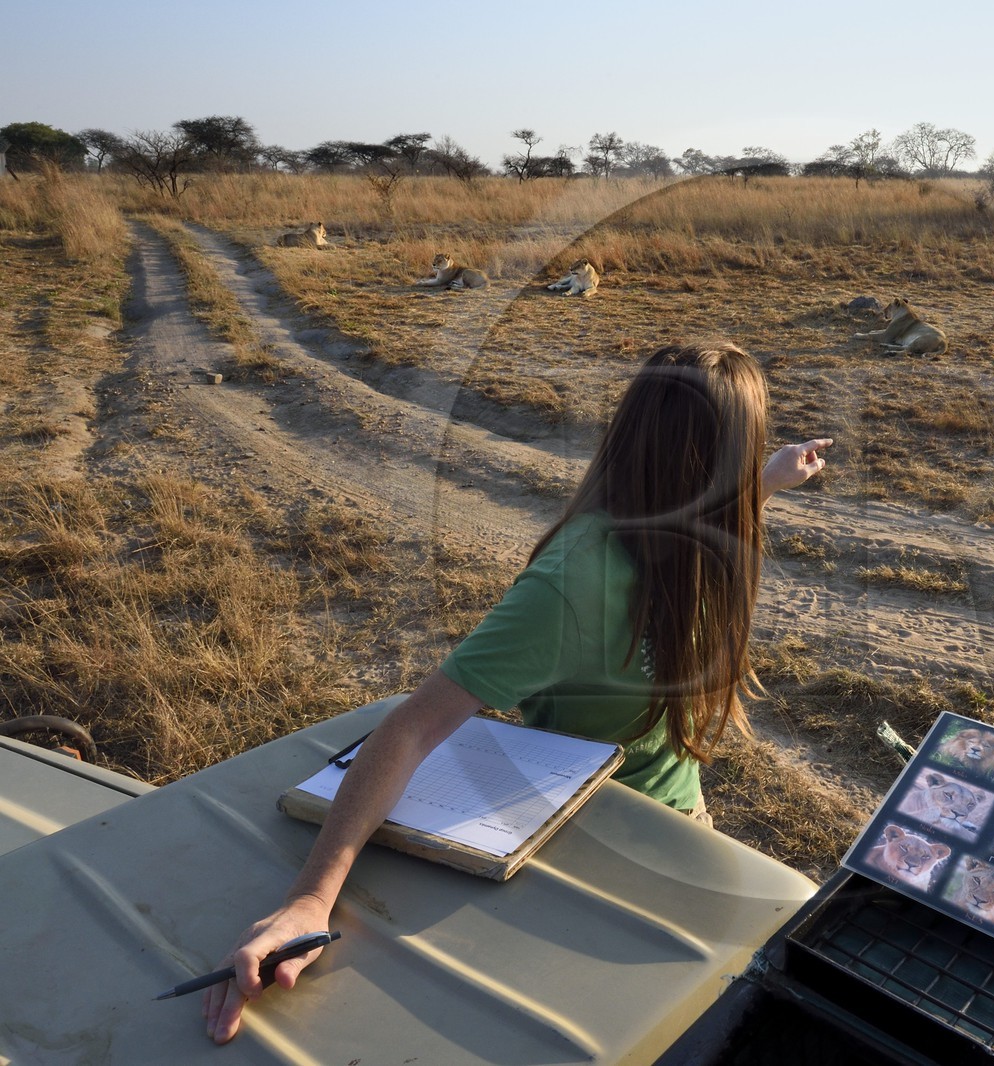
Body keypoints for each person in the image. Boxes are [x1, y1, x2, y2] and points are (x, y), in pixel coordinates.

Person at [203, 342, 832, 1044]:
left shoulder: (707, 525)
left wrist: (769, 481)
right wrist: (310, 900)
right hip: (588, 850)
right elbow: (414, 725)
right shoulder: (575, 585)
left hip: (681, 817)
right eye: (747, 450)